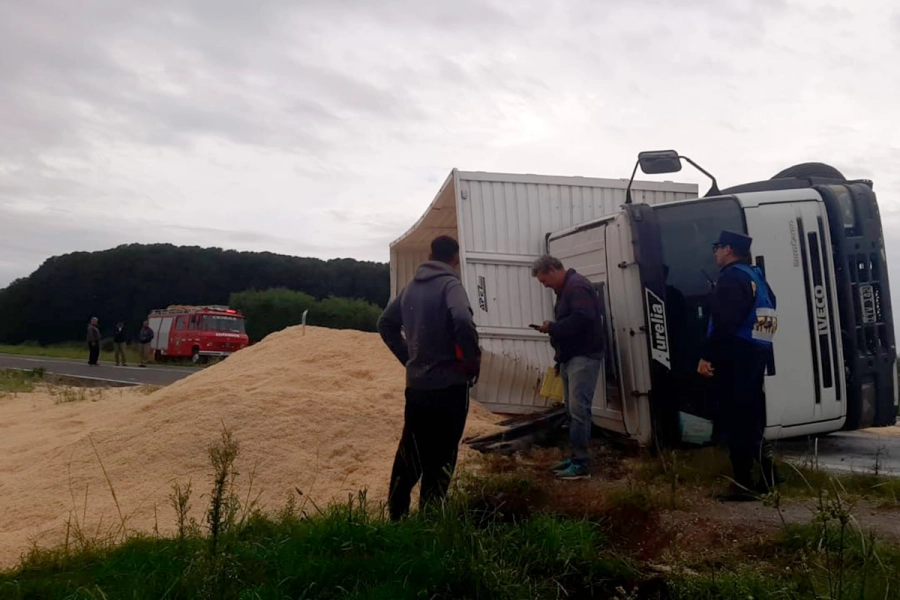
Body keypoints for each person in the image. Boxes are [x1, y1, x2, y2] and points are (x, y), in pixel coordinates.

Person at [377, 235, 481, 520]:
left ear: (430, 253)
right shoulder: (451, 284)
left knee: (410, 452)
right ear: (455, 258)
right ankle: (431, 520)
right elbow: (461, 318)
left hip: (418, 389)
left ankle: (397, 517)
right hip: (449, 388)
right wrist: (471, 361)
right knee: (442, 454)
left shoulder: (411, 288)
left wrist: (409, 359)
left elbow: (385, 323)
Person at [697, 230, 779, 501]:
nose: (714, 253)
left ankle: (743, 483)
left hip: (736, 355)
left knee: (736, 419)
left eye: (717, 247)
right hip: (756, 353)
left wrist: (708, 356)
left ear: (728, 249)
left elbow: (724, 323)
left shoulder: (731, 278)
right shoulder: (756, 276)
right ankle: (768, 477)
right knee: (752, 417)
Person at [531, 255, 604, 480]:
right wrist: (559, 359)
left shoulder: (577, 287)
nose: (545, 285)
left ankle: (581, 464)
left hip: (583, 357)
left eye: (545, 280)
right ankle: (575, 457)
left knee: (579, 411)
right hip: (571, 357)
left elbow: (582, 319)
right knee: (572, 411)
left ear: (553, 270)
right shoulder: (566, 290)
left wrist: (552, 327)